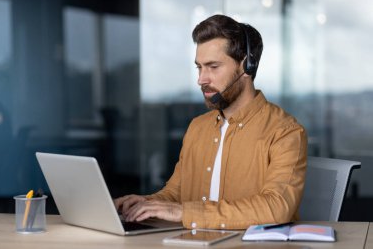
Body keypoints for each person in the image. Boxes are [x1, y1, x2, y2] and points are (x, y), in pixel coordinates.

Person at [114, 14, 307, 230]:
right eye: (199, 67)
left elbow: (277, 208)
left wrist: (185, 212)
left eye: (213, 67)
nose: (201, 79)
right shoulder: (198, 127)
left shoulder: (285, 131)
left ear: (246, 66)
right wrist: (144, 204)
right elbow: (177, 193)